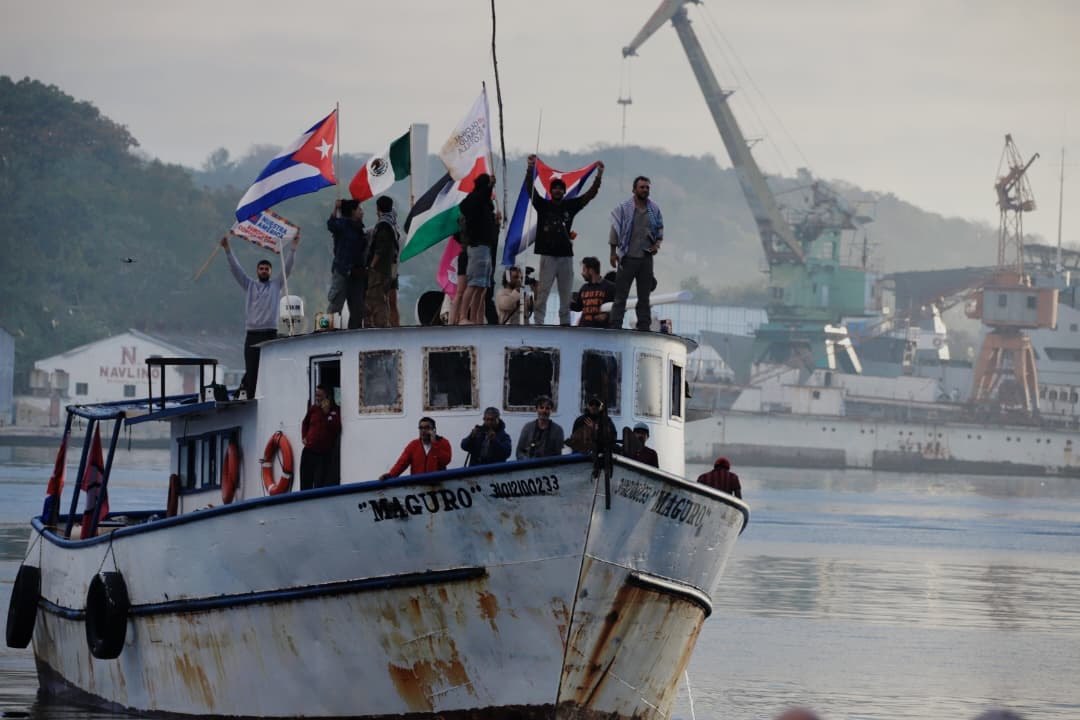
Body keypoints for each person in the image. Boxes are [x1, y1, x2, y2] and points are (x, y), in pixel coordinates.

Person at [527, 154, 604, 325]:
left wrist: (598, 176)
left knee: (566, 295)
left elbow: (590, 195)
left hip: (565, 257)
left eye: (560, 188)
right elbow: (530, 190)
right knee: (543, 293)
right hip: (547, 256)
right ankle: (538, 323)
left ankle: (565, 324)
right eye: (554, 188)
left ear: (564, 192)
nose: (557, 190)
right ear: (550, 191)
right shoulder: (543, 206)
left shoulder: (571, 206)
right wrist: (530, 168)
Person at [221, 233, 298, 399]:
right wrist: (227, 250)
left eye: (266, 269)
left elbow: (288, 268)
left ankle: (271, 397)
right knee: (251, 370)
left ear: (270, 271)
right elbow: (236, 269)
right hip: (252, 334)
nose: (264, 271)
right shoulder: (249, 285)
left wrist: (293, 248)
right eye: (261, 269)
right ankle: (249, 398)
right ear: (257, 271)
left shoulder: (276, 285)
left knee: (270, 368)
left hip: (270, 333)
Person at [609, 175, 664, 330]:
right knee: (620, 296)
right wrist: (613, 252)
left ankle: (644, 327)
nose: (645, 190)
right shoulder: (624, 208)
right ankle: (615, 326)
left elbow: (659, 230)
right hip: (627, 257)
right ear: (634, 190)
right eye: (642, 187)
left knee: (644, 297)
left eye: (647, 187)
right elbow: (615, 229)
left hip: (645, 258)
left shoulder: (654, 209)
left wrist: (656, 245)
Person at [457, 174, 499, 325]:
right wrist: (490, 186)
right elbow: (481, 197)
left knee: (482, 287)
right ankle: (463, 317)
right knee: (474, 284)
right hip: (477, 247)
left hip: (486, 247)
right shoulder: (473, 201)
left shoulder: (485, 206)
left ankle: (475, 319)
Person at [327, 198, 368, 329]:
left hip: (357, 273)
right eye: (359, 209)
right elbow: (331, 224)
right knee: (335, 306)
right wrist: (336, 208)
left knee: (357, 309)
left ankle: (354, 334)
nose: (362, 212)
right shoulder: (343, 225)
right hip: (342, 271)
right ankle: (326, 331)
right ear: (352, 211)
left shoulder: (360, 228)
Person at [365, 196, 400, 328]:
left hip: (380, 269)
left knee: (377, 300)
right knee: (390, 301)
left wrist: (371, 266)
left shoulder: (383, 225)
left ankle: (381, 327)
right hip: (392, 267)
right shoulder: (392, 222)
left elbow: (380, 249)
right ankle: (394, 327)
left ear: (378, 208)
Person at [380, 417, 452, 479]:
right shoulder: (413, 445)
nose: (423, 430)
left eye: (427, 428)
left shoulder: (443, 443)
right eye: (421, 428)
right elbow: (402, 463)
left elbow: (446, 461)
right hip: (418, 486)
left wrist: (434, 444)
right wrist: (390, 475)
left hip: (438, 485)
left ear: (434, 430)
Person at [300, 384, 341, 490]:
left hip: (323, 454)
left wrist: (326, 414)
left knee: (320, 484)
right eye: (316, 395)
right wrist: (304, 436)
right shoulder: (313, 409)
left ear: (327, 396)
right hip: (309, 451)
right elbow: (305, 422)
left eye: (320, 396)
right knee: (305, 483)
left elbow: (336, 428)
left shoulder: (336, 410)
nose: (317, 398)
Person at [570, 256, 616, 328]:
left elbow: (618, 308)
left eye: (584, 270)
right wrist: (567, 302)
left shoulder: (610, 287)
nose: (582, 273)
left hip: (600, 330)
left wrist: (607, 315)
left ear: (591, 270)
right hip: (583, 328)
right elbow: (578, 307)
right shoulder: (584, 288)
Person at [515, 395, 565, 459]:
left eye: (547, 408)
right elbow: (519, 452)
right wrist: (526, 460)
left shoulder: (558, 430)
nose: (544, 411)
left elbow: (559, 454)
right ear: (536, 409)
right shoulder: (527, 428)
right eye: (541, 407)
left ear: (551, 410)